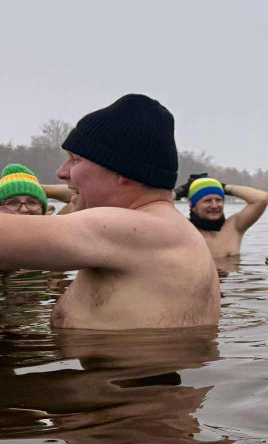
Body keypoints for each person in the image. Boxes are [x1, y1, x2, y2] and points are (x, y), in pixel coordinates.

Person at [0, 94, 220, 328]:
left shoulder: (138, 229)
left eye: (75, 160)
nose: (61, 172)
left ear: (122, 171)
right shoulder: (163, 227)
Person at [175, 175, 268, 258]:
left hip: (231, 279)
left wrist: (224, 187)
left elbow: (262, 198)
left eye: (218, 200)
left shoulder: (234, 227)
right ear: (192, 205)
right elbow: (160, 204)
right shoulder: (182, 228)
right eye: (207, 201)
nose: (214, 206)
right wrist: (181, 190)